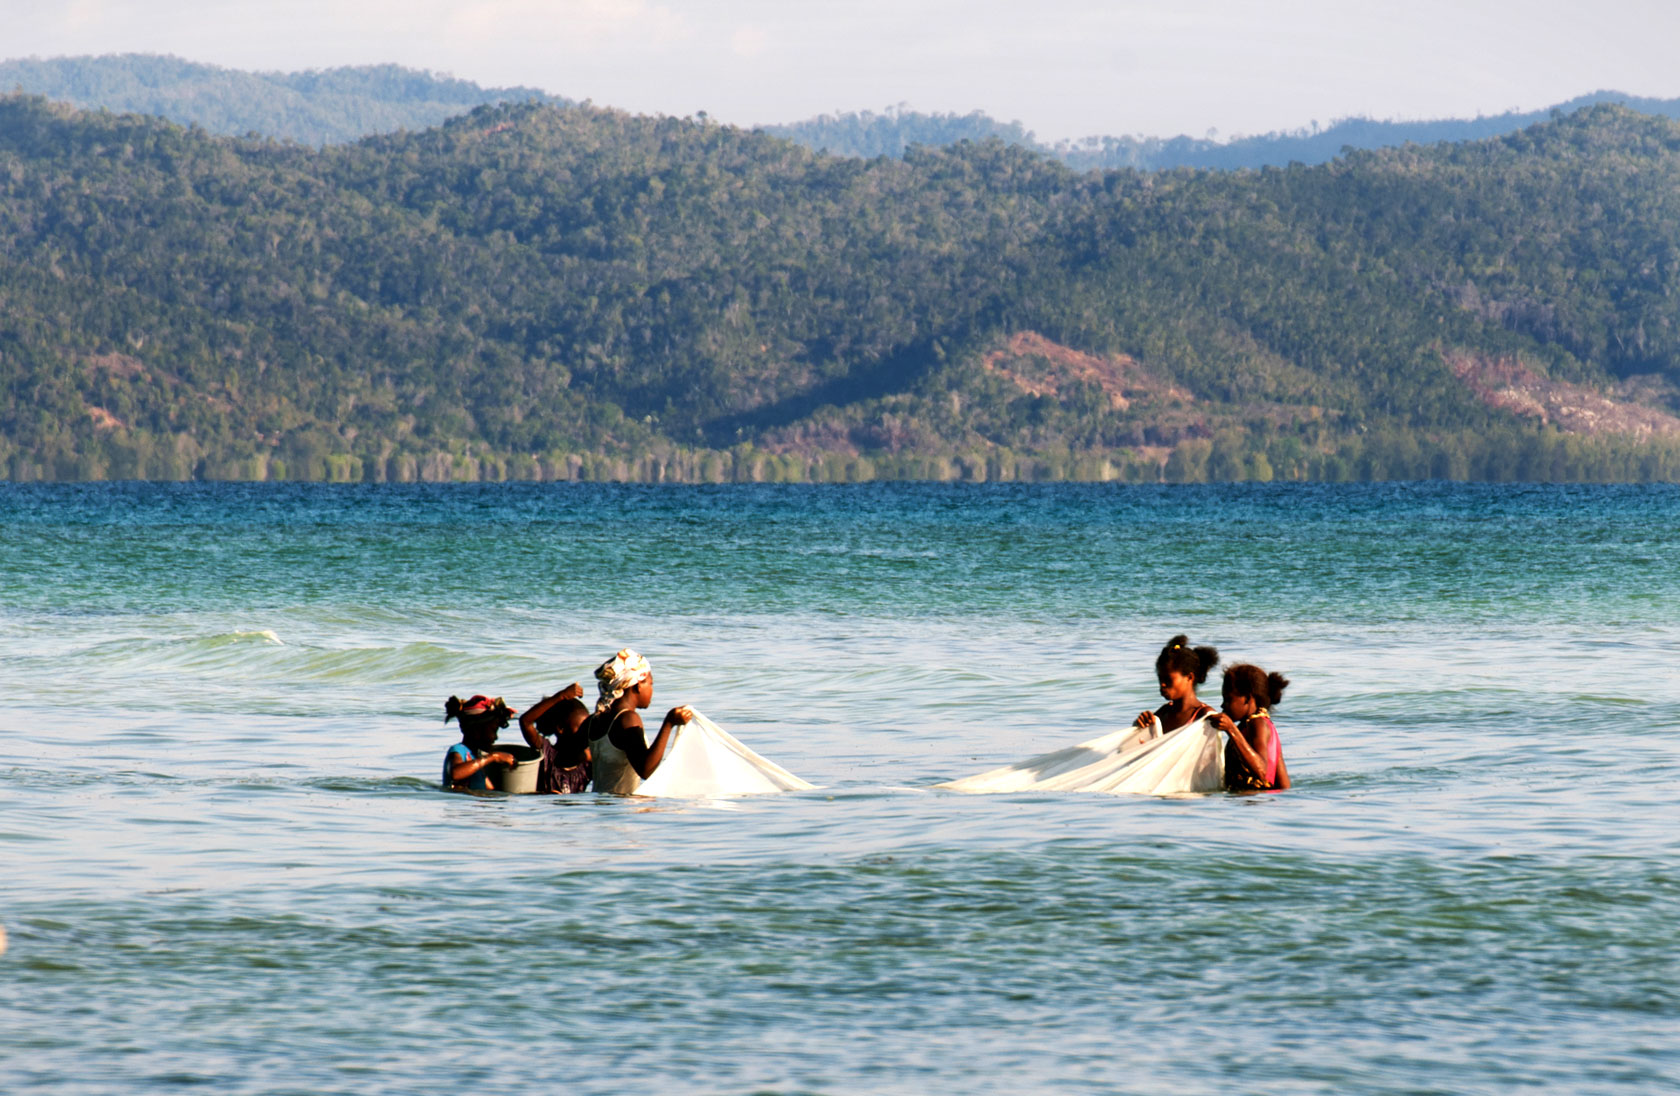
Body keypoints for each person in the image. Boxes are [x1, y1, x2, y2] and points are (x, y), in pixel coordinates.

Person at [587, 648, 693, 796]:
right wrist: (669, 723)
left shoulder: (595, 719)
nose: (651, 690)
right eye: (650, 684)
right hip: (623, 810)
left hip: (601, 807)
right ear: (638, 685)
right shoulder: (628, 719)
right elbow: (646, 770)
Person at [1210, 663, 1292, 792]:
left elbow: (1263, 772)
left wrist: (1231, 730)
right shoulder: (1256, 724)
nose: (1222, 705)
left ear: (1247, 699)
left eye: (1228, 699)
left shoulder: (1257, 724)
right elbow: (1284, 784)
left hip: (1253, 803)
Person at [1133, 634, 1220, 737]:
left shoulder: (1204, 716)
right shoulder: (1163, 713)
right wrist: (1139, 725)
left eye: (1168, 679)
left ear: (1189, 677)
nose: (1162, 684)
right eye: (1160, 679)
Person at [519, 682, 593, 794]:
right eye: (580, 727)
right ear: (561, 728)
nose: (584, 733)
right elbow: (525, 721)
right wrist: (561, 696)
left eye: (586, 727)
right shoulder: (546, 753)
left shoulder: (587, 763)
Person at [442, 694, 519, 791]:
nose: (495, 737)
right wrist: (493, 757)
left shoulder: (476, 758)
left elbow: (490, 789)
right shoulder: (458, 750)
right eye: (493, 731)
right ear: (477, 730)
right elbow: (456, 773)